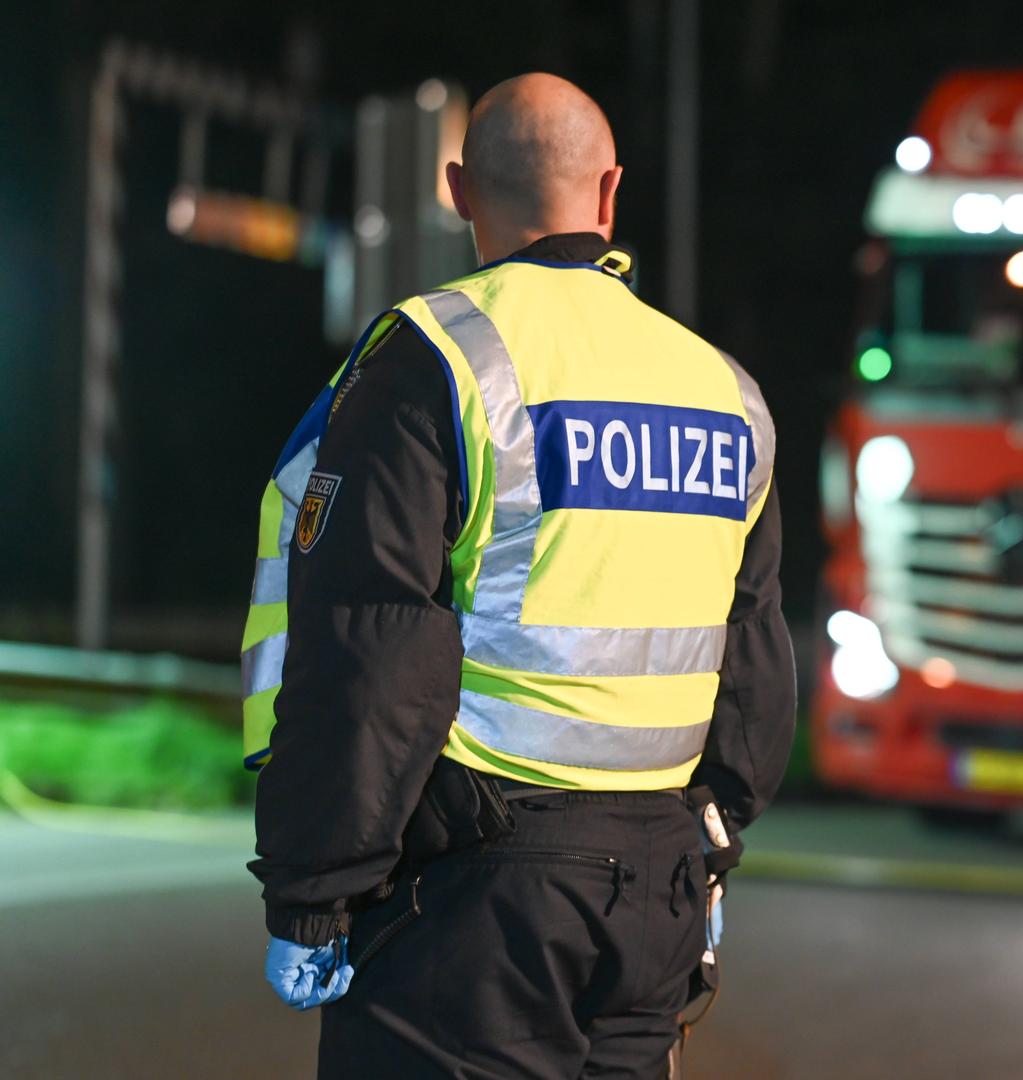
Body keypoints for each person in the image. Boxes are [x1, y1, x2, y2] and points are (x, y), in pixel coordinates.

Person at [239, 72, 795, 1078]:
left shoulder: (437, 358)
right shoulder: (727, 393)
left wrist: (313, 893)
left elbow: (372, 652)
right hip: (660, 889)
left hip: (479, 895)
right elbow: (752, 664)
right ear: (611, 190)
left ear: (459, 189)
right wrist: (712, 844)